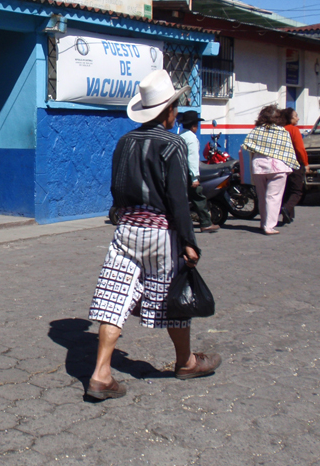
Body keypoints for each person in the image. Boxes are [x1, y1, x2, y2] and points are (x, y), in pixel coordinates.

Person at [87, 70, 222, 400]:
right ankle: (186, 362)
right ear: (169, 111)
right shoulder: (173, 144)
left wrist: (123, 216)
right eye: (175, 106)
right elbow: (178, 198)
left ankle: (101, 374)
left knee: (114, 298)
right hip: (162, 235)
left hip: (127, 231)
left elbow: (117, 189)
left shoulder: (124, 142)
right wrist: (189, 242)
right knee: (174, 297)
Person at [241, 105, 299, 235]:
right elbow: (288, 151)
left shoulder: (256, 131)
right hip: (278, 168)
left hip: (259, 167)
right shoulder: (282, 132)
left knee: (262, 197)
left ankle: (263, 223)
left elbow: (247, 146)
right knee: (273, 197)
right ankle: (270, 226)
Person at [179, 111, 219, 233]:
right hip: (188, 173)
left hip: (180, 172)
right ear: (194, 126)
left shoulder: (181, 135)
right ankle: (206, 223)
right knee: (198, 198)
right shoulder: (191, 138)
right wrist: (195, 177)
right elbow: (192, 159)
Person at [280, 108, 309, 224]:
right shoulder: (293, 130)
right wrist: (305, 163)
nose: (298, 118)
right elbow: (299, 148)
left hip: (282, 163)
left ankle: (288, 216)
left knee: (287, 189)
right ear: (290, 118)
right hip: (295, 163)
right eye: (296, 116)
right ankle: (286, 208)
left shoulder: (280, 129)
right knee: (296, 191)